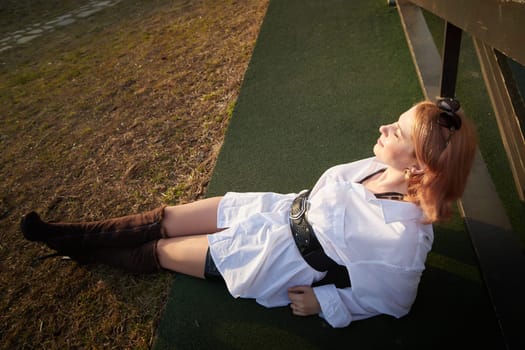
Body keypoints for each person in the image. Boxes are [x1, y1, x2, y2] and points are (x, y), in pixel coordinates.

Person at [20, 98, 477, 328]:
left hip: (273, 259)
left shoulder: (402, 237)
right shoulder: (381, 164)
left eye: (395, 130)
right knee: (164, 216)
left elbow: (396, 302)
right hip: (274, 209)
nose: (383, 127)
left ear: (418, 164)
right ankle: (65, 235)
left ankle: (84, 252)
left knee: (160, 249)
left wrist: (327, 303)